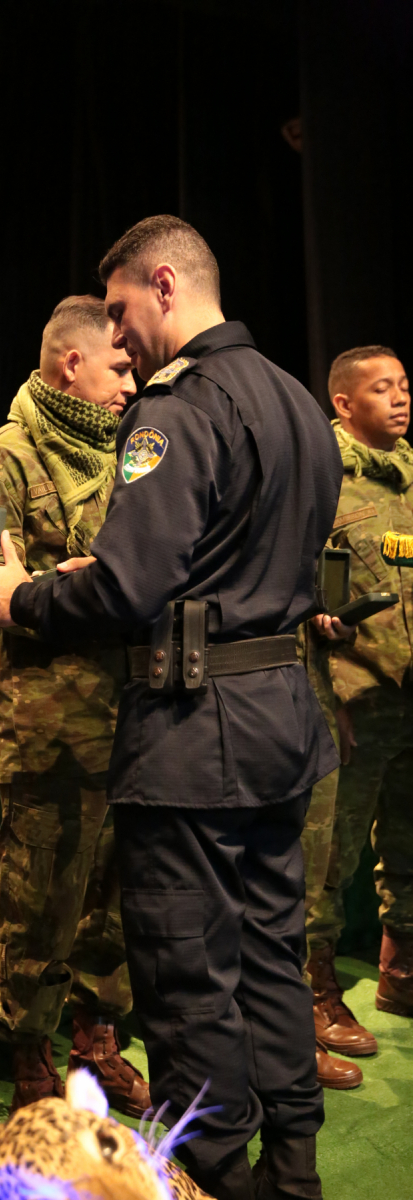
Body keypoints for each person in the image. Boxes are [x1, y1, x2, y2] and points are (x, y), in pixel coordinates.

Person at [0, 215, 343, 1200]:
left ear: (165, 285)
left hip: (193, 731)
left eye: (123, 310)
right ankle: (291, 1169)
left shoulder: (178, 407)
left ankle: (212, 1177)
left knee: (185, 975)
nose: (121, 340)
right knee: (270, 955)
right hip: (278, 715)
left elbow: (131, 584)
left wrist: (23, 598)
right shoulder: (298, 403)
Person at [0, 295, 150, 1119]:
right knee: (40, 902)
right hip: (45, 723)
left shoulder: (134, 458)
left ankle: (96, 1043)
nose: (131, 383)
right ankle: (30, 1055)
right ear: (72, 362)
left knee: (118, 900)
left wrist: (89, 578)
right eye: (119, 366)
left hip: (133, 715)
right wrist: (77, 586)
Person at [302, 346, 413, 1068]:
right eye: (382, 388)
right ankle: (314, 990)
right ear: (343, 403)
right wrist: (319, 620)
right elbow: (293, 580)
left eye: (404, 386)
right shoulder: (320, 476)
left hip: (410, 695)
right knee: (329, 855)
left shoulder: (412, 474)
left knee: (408, 842)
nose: (399, 398)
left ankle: (401, 972)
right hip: (351, 696)